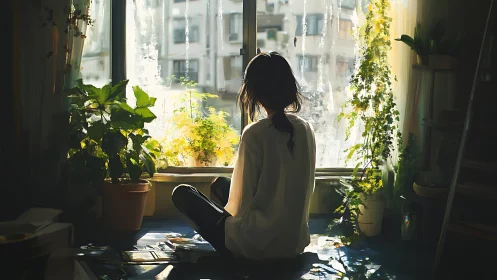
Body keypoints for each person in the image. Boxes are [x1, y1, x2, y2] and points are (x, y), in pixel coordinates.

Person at [172, 51, 316, 260]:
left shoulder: (256, 133)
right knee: (221, 183)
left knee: (182, 193)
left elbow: (241, 204)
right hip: (294, 242)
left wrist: (225, 222)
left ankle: (235, 247)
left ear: (254, 92)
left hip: (255, 245)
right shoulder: (306, 129)